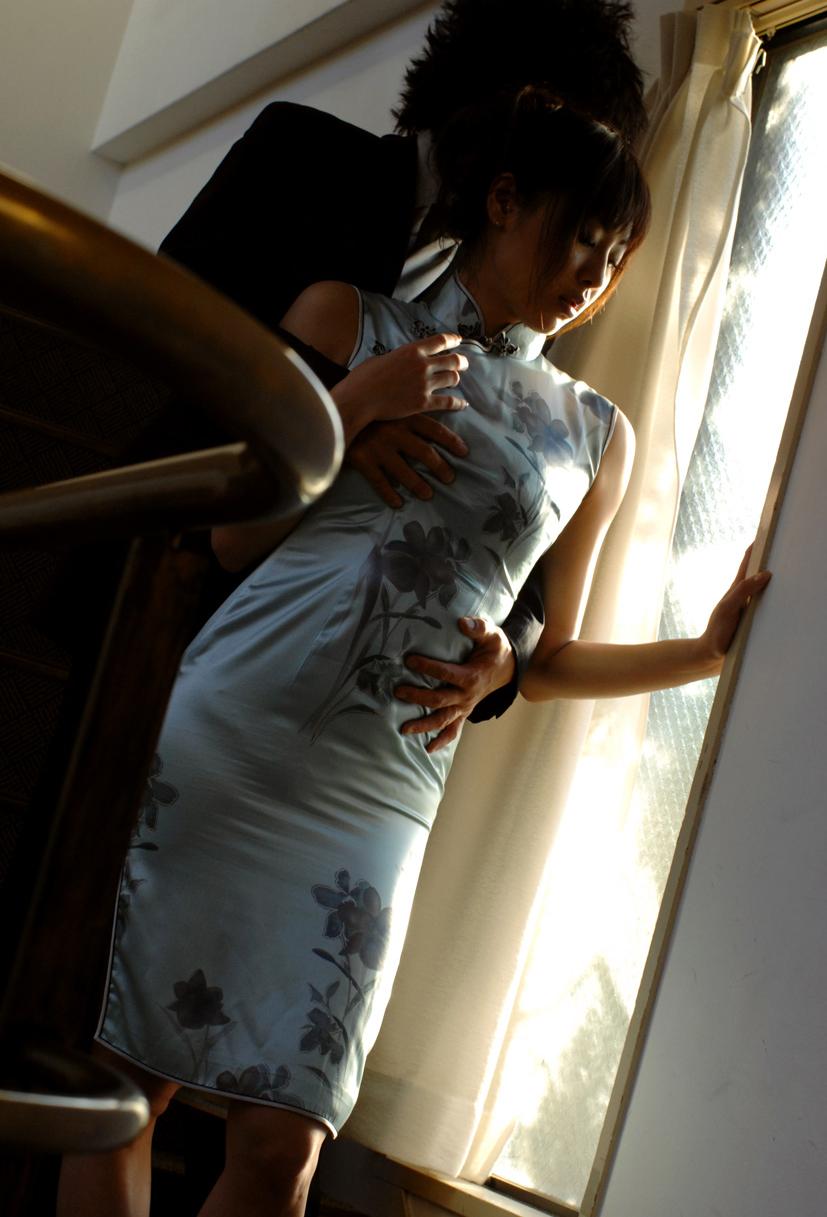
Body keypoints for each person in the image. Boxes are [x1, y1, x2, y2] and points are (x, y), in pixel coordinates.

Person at [57, 92, 770, 1217]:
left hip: (377, 793)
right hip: (231, 727)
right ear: (504, 201)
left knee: (284, 1144)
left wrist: (699, 650)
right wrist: (353, 407)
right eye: (583, 235)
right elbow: (229, 542)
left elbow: (551, 653)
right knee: (121, 1088)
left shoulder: (594, 432)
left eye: (616, 256)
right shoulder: (347, 319)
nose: (593, 273)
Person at [157, 0, 649, 749]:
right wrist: (337, 424)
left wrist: (509, 656)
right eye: (565, 136)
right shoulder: (301, 154)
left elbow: (514, 520)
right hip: (160, 575)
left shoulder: (531, 323)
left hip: (338, 717)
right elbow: (169, 329)